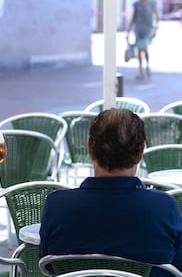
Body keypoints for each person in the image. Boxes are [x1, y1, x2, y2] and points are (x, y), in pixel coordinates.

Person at [39, 109, 182, 277]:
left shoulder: (57, 206)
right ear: (140, 152)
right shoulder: (164, 207)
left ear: (90, 148)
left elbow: (47, 265)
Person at [127, 0, 159, 80]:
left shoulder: (152, 3)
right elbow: (133, 17)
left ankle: (147, 66)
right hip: (138, 29)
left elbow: (157, 16)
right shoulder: (137, 4)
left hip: (147, 29)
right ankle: (141, 70)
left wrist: (156, 28)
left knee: (144, 48)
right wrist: (128, 31)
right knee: (139, 50)